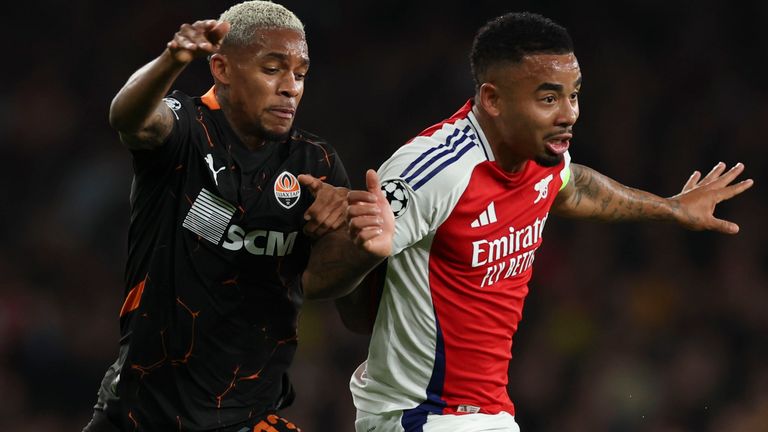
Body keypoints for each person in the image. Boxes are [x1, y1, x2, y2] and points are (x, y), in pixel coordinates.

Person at [340, 12, 754, 432]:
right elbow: (338, 275)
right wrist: (339, 238)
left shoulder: (540, 155)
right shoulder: (437, 171)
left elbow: (574, 187)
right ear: (493, 99)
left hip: (489, 412)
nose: (569, 113)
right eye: (549, 98)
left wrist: (672, 208)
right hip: (422, 416)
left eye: (573, 95)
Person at [83, 1, 352, 431]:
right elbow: (128, 118)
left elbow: (322, 285)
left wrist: (355, 237)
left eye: (299, 74)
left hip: (248, 416)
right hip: (142, 413)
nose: (291, 88)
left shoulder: (314, 163)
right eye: (272, 69)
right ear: (222, 69)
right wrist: (172, 58)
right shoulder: (186, 128)